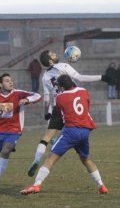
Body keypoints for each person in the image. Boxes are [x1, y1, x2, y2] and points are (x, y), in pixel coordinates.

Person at [27, 49, 111, 177]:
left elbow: (47, 97)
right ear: (50, 60)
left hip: (57, 107)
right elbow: (80, 78)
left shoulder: (44, 77)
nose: (56, 55)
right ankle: (80, 153)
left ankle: (37, 160)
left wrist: (46, 113)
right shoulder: (63, 66)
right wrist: (102, 77)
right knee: (77, 132)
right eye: (53, 54)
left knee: (47, 137)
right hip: (70, 105)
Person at [20, 74, 108, 195]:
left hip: (71, 131)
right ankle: (101, 186)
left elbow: (58, 113)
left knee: (51, 158)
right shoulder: (84, 91)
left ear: (61, 87)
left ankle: (36, 185)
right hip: (85, 130)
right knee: (86, 159)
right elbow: (86, 106)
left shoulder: (60, 97)